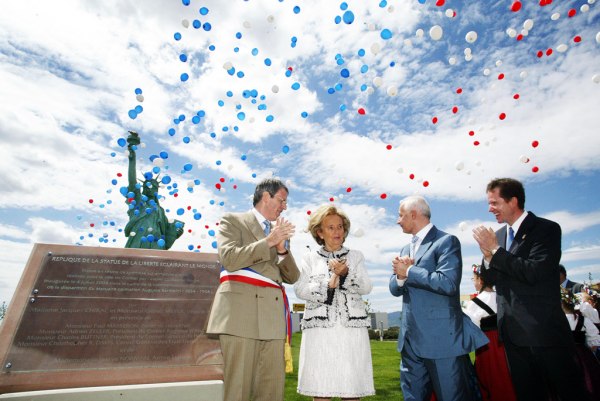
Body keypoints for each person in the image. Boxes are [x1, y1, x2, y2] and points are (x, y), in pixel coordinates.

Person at [472, 177, 589, 401]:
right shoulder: (498, 237)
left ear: (513, 201)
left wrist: (495, 252)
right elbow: (491, 279)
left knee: (569, 393)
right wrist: (487, 256)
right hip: (512, 335)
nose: (490, 209)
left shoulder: (546, 229)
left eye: (494, 203)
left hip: (544, 333)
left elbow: (535, 271)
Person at [206, 178, 300, 401]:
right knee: (238, 388)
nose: (284, 207)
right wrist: (268, 241)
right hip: (240, 315)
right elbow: (228, 258)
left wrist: (282, 250)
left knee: (271, 390)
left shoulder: (279, 233)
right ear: (266, 196)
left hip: (272, 318)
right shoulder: (233, 221)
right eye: (282, 200)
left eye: (286, 203)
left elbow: (292, 276)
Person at [389, 195, 488, 401]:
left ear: (414, 214)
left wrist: (409, 271)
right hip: (409, 340)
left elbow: (448, 283)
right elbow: (395, 289)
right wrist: (399, 277)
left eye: (401, 215)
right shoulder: (405, 249)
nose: (398, 220)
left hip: (441, 339)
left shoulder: (446, 241)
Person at [294, 205, 375, 400]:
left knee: (351, 389)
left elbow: (366, 287)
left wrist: (346, 274)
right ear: (319, 232)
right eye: (330, 227)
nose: (337, 231)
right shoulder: (309, 258)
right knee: (321, 389)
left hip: (351, 331)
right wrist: (327, 285)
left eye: (340, 227)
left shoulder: (356, 256)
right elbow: (299, 289)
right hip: (320, 332)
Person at [463, 264, 516, 401]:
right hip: (507, 341)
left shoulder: (474, 303)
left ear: (480, 280)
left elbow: (472, 327)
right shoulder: (504, 297)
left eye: (473, 279)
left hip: (487, 345)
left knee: (489, 377)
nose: (473, 282)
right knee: (507, 376)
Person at [124, 131, 184, 249]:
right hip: (138, 240)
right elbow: (132, 182)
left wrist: (175, 230)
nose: (152, 189)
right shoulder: (139, 201)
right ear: (144, 188)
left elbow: (167, 233)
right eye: (148, 186)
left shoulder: (160, 211)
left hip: (156, 244)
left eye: (154, 187)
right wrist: (132, 159)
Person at [560, 288, 600, 399]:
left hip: (564, 355)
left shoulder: (558, 321)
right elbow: (594, 338)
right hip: (583, 354)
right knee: (589, 381)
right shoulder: (583, 319)